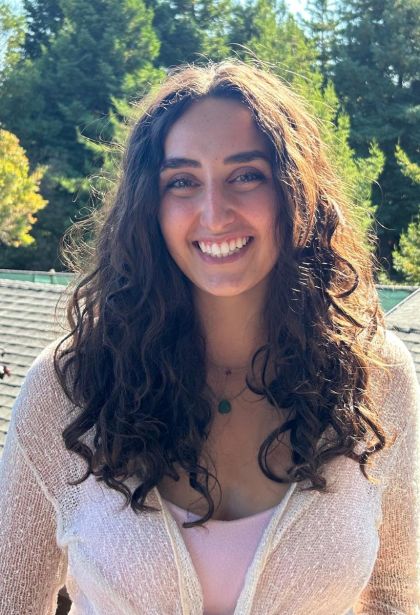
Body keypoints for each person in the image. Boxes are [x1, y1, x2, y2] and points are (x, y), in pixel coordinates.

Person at [0, 60, 419, 615]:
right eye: (182, 182)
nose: (214, 213)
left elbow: (395, 596)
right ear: (148, 207)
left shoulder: (376, 378)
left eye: (246, 175)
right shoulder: (70, 386)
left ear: (297, 192)